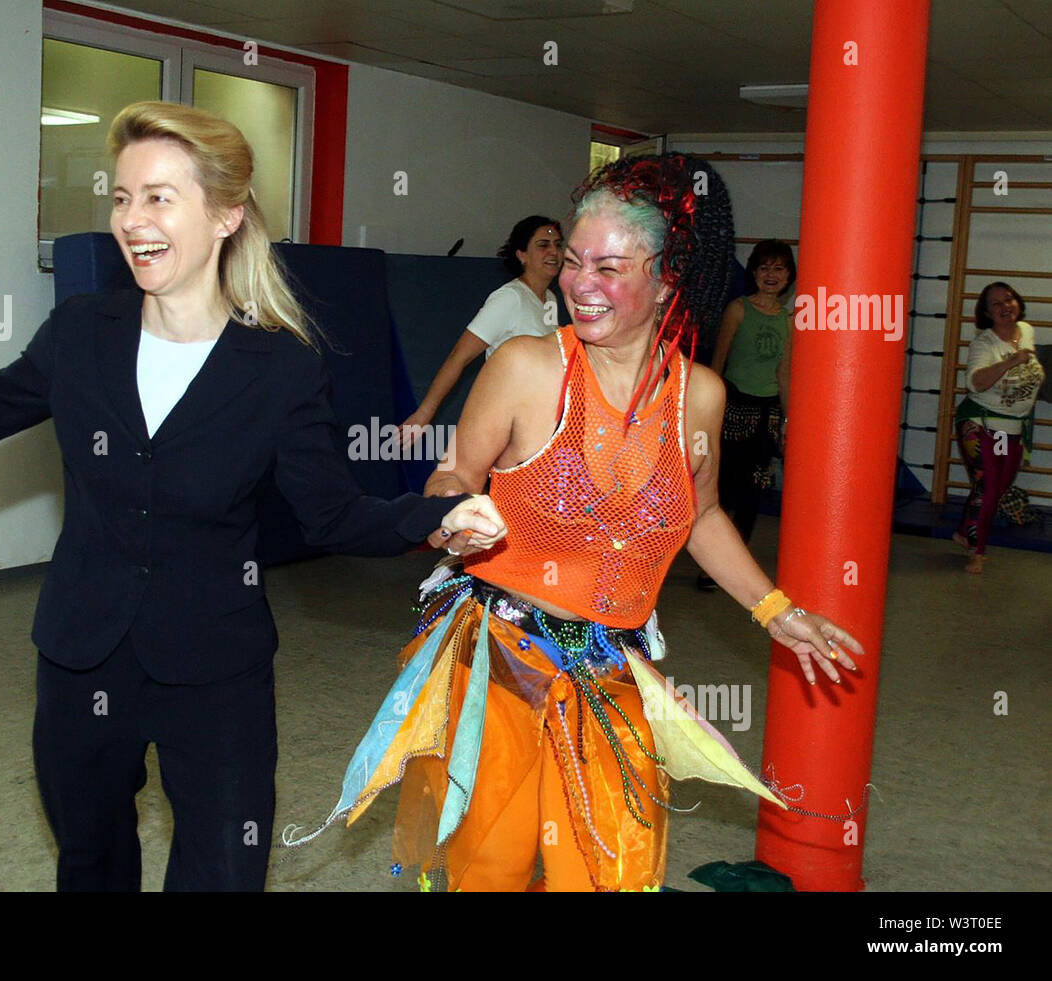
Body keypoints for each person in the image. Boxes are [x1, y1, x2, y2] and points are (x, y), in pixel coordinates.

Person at [0, 101, 505, 892]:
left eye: (160, 197)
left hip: (215, 669)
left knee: (224, 869)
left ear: (227, 213)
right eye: (122, 198)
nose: (132, 220)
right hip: (82, 652)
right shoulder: (82, 331)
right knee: (90, 861)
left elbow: (331, 511)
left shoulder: (280, 368)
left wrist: (439, 516)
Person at [286, 154, 863, 892]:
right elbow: (455, 475)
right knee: (489, 866)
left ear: (665, 281)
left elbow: (702, 513)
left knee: (606, 870)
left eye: (609, 266)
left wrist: (773, 608)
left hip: (609, 662)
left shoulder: (702, 396)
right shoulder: (527, 366)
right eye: (574, 261)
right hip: (501, 658)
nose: (580, 283)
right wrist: (453, 512)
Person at [399, 216, 563, 447]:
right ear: (521, 254)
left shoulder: (551, 300)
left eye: (558, 244)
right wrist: (423, 415)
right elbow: (460, 356)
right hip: (506, 425)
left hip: (538, 424)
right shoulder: (510, 298)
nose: (554, 252)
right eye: (543, 245)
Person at [698, 240, 796, 590]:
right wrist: (706, 412)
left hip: (767, 411)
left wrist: (786, 418)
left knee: (755, 490)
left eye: (779, 269)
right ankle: (714, 562)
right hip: (734, 406)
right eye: (765, 268)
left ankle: (733, 569)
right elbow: (718, 363)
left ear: (789, 277)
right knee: (725, 487)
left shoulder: (789, 320)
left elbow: (784, 372)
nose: (771, 276)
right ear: (754, 272)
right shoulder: (738, 309)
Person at [953, 282, 1044, 574]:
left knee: (999, 484)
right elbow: (975, 383)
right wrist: (1008, 363)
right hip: (980, 422)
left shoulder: (1027, 331)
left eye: (1009, 299)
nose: (1005, 306)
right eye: (996, 303)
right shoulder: (985, 344)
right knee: (989, 487)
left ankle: (965, 532)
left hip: (1007, 431)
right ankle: (977, 552)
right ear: (987, 313)